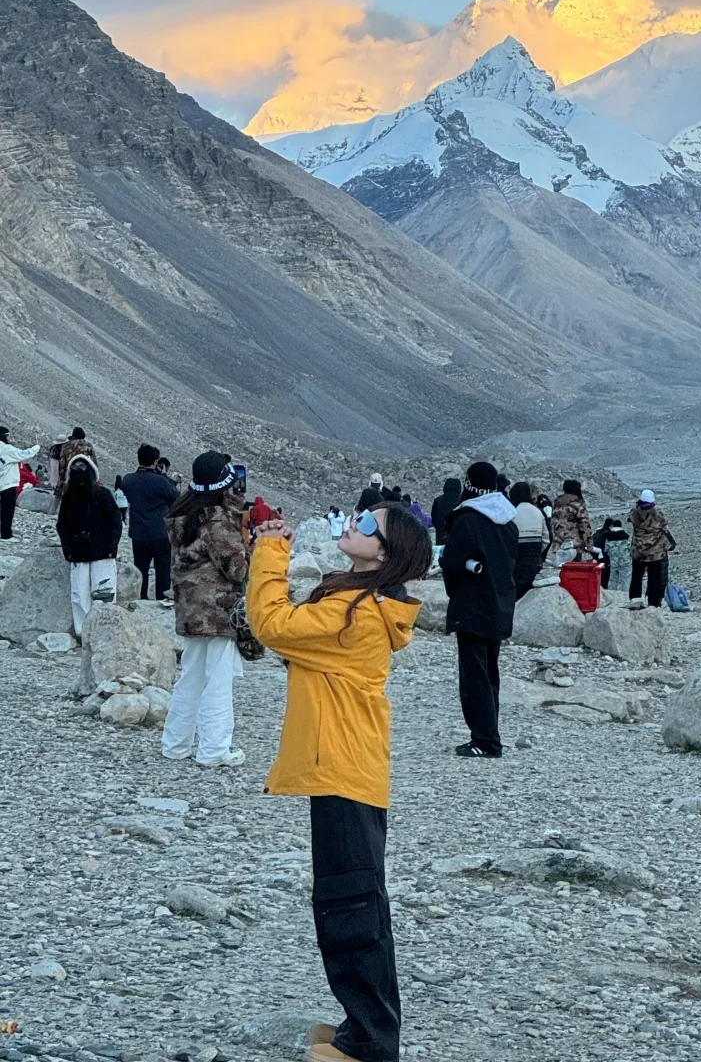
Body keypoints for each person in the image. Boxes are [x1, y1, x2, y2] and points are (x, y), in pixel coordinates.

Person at [246, 505, 427, 1062]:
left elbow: (271, 625)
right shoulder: (357, 603)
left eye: (371, 526)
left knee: (351, 904)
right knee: (354, 898)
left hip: (344, 768)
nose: (356, 525)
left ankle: (370, 1042)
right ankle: (361, 1026)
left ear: (388, 553)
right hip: (347, 765)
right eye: (360, 516)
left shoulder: (360, 615)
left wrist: (271, 553)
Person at [161, 452, 249, 767]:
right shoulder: (217, 518)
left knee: (191, 676)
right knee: (219, 679)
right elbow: (236, 569)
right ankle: (214, 749)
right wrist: (250, 548)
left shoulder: (183, 516)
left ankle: (175, 744)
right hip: (218, 609)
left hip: (189, 608)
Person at [440, 461, 518, 758]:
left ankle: (485, 740)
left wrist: (457, 586)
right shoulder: (507, 519)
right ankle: (490, 733)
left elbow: (452, 561)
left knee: (474, 675)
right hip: (500, 604)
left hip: (472, 606)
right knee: (490, 672)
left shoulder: (469, 519)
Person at [55, 454, 121, 638]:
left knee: (104, 594)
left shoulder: (103, 495)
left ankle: (104, 632)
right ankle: (84, 633)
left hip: (102, 554)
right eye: (75, 467)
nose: (78, 471)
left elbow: (115, 523)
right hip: (78, 554)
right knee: (79, 595)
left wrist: (111, 548)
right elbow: (62, 525)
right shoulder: (69, 497)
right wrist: (68, 549)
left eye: (82, 467)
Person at [121, 444, 180, 601]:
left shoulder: (128, 480)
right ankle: (162, 598)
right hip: (160, 532)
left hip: (138, 532)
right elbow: (175, 497)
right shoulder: (160, 481)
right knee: (162, 569)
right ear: (155, 461)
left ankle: (141, 598)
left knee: (141, 568)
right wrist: (164, 476)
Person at [626, 489, 674, 609]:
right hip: (655, 552)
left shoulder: (634, 514)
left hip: (638, 551)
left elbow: (629, 518)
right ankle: (653, 602)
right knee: (654, 578)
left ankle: (635, 598)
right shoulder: (658, 516)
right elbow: (665, 527)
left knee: (636, 576)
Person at [0, 426, 40, 540]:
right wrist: (36, 448)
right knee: (8, 510)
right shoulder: (6, 449)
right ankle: (6, 534)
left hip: (1, 481)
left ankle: (2, 531)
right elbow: (23, 454)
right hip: (8, 483)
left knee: (2, 509)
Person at [509, 481, 547, 599]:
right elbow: (546, 539)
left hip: (516, 560)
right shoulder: (538, 512)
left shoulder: (511, 511)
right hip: (534, 559)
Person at [551, 480, 593, 561]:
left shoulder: (556, 504)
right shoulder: (577, 504)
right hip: (574, 546)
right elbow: (584, 525)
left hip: (558, 545)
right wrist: (589, 546)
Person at [56, 428, 96, 498]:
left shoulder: (66, 446)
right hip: (85, 478)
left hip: (70, 477)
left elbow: (62, 464)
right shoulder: (89, 446)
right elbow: (93, 463)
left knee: (62, 499)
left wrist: (62, 480)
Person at [595, 517, 631, 593]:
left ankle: (612, 594)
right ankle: (625, 594)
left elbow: (606, 550)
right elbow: (630, 549)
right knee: (625, 580)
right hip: (625, 562)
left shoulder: (609, 537)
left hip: (613, 562)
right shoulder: (626, 537)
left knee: (613, 579)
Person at [430, 478, 463, 551]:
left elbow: (433, 518)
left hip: (441, 535)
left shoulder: (438, 500)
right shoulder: (462, 500)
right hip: (458, 535)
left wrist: (440, 528)